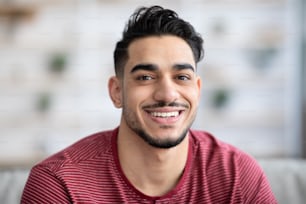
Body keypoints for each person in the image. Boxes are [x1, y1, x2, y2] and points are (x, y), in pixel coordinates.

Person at [21, 5, 277, 203]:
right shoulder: (59, 184)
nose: (167, 94)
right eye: (145, 77)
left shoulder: (237, 176)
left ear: (197, 91)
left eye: (182, 77)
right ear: (117, 91)